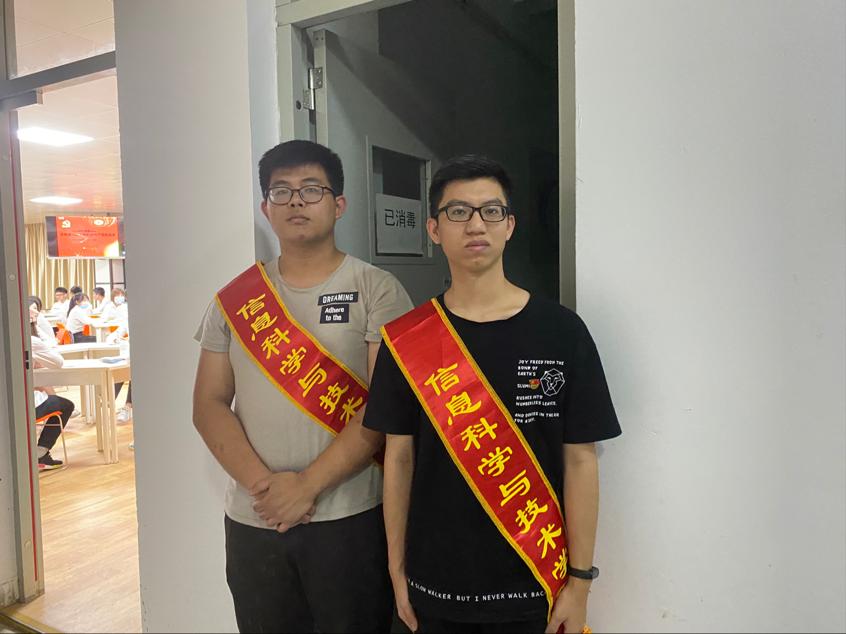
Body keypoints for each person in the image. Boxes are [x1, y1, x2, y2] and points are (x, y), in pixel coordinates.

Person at [362, 155, 622, 634]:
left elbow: (581, 460)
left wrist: (580, 582)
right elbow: (399, 459)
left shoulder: (563, 332)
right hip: (434, 587)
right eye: (458, 211)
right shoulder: (407, 339)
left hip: (535, 587)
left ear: (510, 226)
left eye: (491, 211)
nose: (476, 224)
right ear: (434, 229)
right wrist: (397, 571)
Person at [192, 140, 413, 633]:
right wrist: (268, 491)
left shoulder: (378, 289)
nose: (296, 201)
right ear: (265, 208)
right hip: (255, 520)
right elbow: (208, 404)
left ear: (339, 204)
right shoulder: (235, 300)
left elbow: (386, 406)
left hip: (350, 518)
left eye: (312, 189)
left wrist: (307, 487)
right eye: (282, 191)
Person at [29, 314, 74, 470]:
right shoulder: (30, 341)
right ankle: (40, 453)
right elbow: (58, 362)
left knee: (44, 388)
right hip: (29, 406)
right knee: (66, 405)